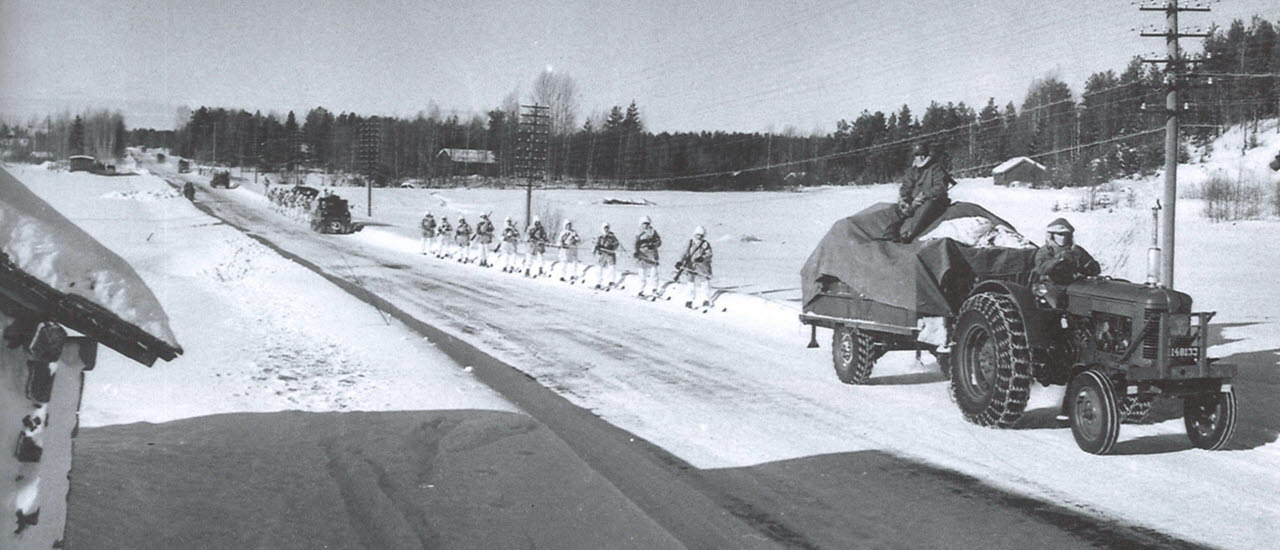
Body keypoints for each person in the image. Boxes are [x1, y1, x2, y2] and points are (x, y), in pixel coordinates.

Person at [883, 142, 955, 243]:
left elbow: (941, 187)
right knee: (894, 208)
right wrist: (904, 199)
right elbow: (905, 187)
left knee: (928, 206)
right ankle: (890, 233)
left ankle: (908, 234)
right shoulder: (912, 171)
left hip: (932, 200)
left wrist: (924, 195)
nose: (920, 157)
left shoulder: (936, 168)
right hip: (913, 201)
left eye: (923, 154)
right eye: (917, 155)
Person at [1033, 218, 1101, 283]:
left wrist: (1085, 265)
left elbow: (1095, 270)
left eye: (1066, 234)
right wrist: (1059, 258)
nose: (1063, 237)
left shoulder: (1076, 250)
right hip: (1051, 285)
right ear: (1052, 235)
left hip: (1075, 284)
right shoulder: (1045, 251)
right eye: (1060, 234)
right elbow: (1041, 270)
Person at [678, 226, 714, 309]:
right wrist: (680, 261)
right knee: (690, 283)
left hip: (702, 266)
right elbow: (685, 252)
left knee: (705, 282)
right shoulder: (690, 242)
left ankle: (706, 300)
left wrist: (703, 258)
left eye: (701, 235)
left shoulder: (705, 244)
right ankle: (689, 300)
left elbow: (709, 254)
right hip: (691, 264)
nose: (699, 236)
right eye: (698, 234)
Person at [634, 215, 662, 296]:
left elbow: (659, 241)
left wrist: (654, 245)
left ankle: (654, 289)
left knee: (654, 273)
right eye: (644, 223)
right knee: (642, 274)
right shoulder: (638, 233)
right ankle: (641, 290)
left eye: (647, 223)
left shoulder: (653, 232)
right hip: (642, 255)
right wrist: (636, 252)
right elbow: (635, 243)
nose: (646, 225)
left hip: (652, 255)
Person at [593, 222, 621, 289]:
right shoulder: (600, 236)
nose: (606, 229)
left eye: (607, 228)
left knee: (612, 267)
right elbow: (596, 243)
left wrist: (613, 247)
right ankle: (598, 283)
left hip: (610, 253)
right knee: (599, 268)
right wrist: (597, 247)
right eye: (605, 228)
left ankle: (611, 281)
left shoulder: (612, 236)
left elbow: (617, 243)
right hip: (602, 253)